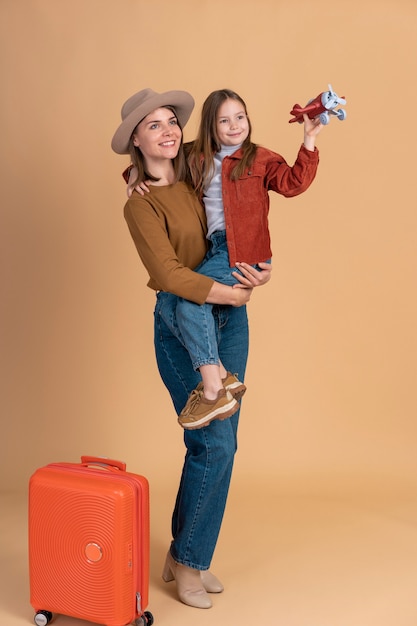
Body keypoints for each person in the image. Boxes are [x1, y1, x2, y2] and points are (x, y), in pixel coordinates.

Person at [111, 87, 272, 609]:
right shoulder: (141, 205)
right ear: (136, 140)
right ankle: (189, 563)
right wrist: (232, 289)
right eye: (152, 125)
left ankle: (183, 552)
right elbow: (167, 274)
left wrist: (257, 272)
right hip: (181, 327)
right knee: (215, 445)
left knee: (220, 444)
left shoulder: (203, 172)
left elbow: (244, 215)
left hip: (231, 321)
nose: (167, 130)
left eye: (171, 121)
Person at [126, 88, 322, 431]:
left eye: (240, 117)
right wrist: (132, 176)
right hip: (211, 266)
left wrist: (308, 142)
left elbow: (293, 182)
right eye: (223, 120)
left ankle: (215, 385)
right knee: (214, 439)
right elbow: (157, 164)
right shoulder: (196, 159)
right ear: (210, 128)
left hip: (238, 253)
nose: (234, 126)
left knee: (223, 437)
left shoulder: (255, 159)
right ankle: (218, 383)